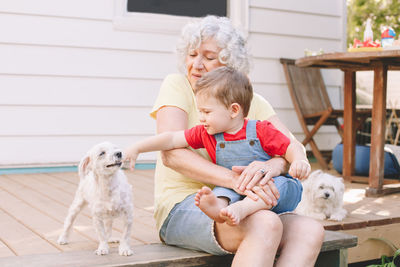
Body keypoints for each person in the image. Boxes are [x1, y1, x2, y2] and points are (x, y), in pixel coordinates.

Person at [137, 15, 324, 267]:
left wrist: (273, 167)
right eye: (192, 54)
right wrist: (238, 182)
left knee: (311, 230)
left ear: (231, 62)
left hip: (247, 204)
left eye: (209, 57)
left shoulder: (251, 102)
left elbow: (294, 147)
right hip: (184, 205)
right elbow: (171, 153)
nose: (197, 64)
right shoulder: (177, 85)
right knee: (265, 224)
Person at [125, 66, 310, 227]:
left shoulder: (261, 130)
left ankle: (241, 209)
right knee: (221, 190)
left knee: (281, 184)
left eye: (206, 111)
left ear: (233, 110)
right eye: (200, 111)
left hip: (272, 189)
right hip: (241, 188)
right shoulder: (206, 133)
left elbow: (290, 147)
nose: (201, 117)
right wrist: (138, 148)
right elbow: (172, 139)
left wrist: (299, 160)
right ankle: (220, 210)